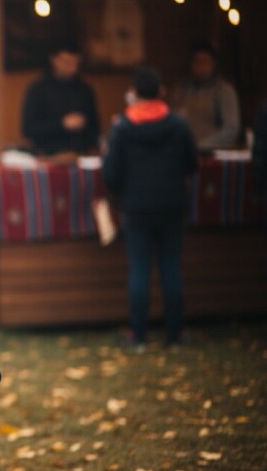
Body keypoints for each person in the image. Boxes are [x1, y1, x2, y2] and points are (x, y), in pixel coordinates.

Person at [102, 66, 197, 351]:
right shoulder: (179, 125)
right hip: (172, 205)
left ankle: (139, 337)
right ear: (162, 91)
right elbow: (192, 164)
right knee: (171, 268)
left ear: (134, 93)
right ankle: (175, 336)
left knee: (140, 270)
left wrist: (122, 193)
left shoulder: (122, 128)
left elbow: (110, 173)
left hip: (136, 207)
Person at [21, 42, 100, 157]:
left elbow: (96, 128)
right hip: (48, 154)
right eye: (67, 62)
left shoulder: (85, 90)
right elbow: (28, 130)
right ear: (54, 60)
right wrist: (62, 124)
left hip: (80, 154)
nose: (72, 68)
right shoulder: (38, 89)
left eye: (75, 63)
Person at [171, 42, 240, 152]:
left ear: (213, 63)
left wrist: (202, 145)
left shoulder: (224, 91)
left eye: (205, 62)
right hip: (183, 152)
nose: (201, 67)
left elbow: (230, 129)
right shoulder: (182, 90)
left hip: (212, 155)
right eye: (197, 62)